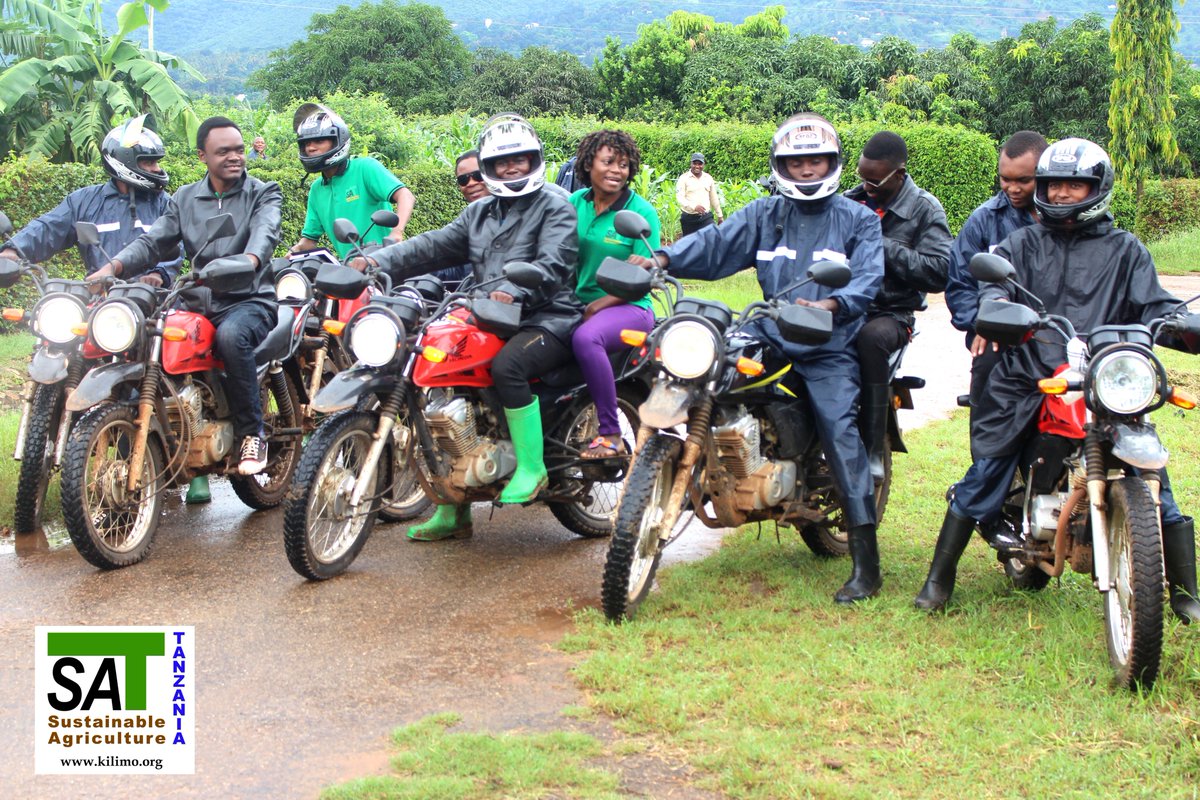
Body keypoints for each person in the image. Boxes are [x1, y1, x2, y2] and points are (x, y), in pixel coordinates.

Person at [914, 138, 1200, 624]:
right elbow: (992, 290)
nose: (1063, 193)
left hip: (1102, 376)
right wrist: (994, 314)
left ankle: (1185, 593)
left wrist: (1179, 324)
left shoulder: (1126, 250)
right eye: (1054, 185)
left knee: (1155, 479)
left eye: (1075, 184)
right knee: (987, 474)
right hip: (1027, 372)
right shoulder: (1019, 243)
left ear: (1097, 188)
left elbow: (1155, 305)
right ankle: (938, 580)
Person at [629, 113, 885, 604]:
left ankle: (866, 566)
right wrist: (662, 259)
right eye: (796, 161)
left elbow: (867, 279)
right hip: (766, 329)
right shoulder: (765, 213)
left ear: (831, 163)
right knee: (705, 374)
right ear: (781, 166)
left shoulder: (857, 219)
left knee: (839, 431)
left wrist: (829, 304)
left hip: (827, 341)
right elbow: (715, 244)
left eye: (815, 160)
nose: (807, 169)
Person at [347, 113, 582, 541]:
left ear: (536, 160)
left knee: (508, 367)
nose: (512, 169)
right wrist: (374, 260)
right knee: (434, 370)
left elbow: (554, 261)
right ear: (490, 168)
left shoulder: (556, 205)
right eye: (502, 163)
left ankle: (531, 465)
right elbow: (433, 244)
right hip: (486, 312)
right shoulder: (479, 213)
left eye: (521, 160)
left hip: (547, 316)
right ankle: (452, 507)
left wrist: (514, 289)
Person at [90, 116, 283, 478]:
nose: (235, 157)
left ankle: (251, 433)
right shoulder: (184, 198)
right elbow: (153, 242)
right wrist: (112, 268)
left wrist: (251, 259)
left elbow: (266, 231)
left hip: (249, 299)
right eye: (223, 151)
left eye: (239, 150)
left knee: (231, 337)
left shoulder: (263, 191)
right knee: (148, 335)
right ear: (202, 156)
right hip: (196, 300)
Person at [845, 131, 952, 483]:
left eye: (875, 180)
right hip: (842, 306)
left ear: (899, 173)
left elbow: (939, 271)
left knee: (871, 339)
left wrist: (881, 244)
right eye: (862, 178)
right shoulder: (849, 202)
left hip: (890, 313)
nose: (867, 186)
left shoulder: (924, 208)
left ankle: (873, 448)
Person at [0, 116, 181, 288]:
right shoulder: (83, 202)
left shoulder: (165, 204)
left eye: (157, 162)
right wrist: (13, 250)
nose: (157, 169)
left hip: (156, 301)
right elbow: (48, 228)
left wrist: (159, 274)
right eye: (149, 163)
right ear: (124, 162)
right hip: (100, 298)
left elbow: (174, 246)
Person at [568, 130, 660, 458]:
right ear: (588, 163)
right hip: (578, 300)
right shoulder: (574, 203)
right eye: (608, 162)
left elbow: (648, 269)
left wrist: (602, 303)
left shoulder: (641, 212)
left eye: (623, 165)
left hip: (630, 305)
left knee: (586, 339)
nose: (616, 170)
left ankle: (610, 433)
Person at [945, 131, 1048, 413]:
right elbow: (960, 285)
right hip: (997, 336)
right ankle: (987, 454)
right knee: (988, 361)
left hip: (1056, 332)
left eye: (1023, 181)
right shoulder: (983, 220)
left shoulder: (1067, 219)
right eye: (1005, 179)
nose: (1012, 188)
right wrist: (984, 323)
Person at [289, 104, 415, 257]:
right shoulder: (317, 189)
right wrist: (290, 255)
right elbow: (308, 241)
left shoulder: (364, 168)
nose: (311, 148)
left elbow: (405, 196)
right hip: (351, 271)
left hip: (387, 261)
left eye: (319, 141)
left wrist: (395, 234)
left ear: (337, 141)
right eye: (306, 143)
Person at [675, 152, 723, 236]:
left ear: (703, 165)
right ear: (691, 163)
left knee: (712, 239)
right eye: (695, 163)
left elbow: (713, 198)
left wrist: (720, 215)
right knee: (690, 245)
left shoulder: (708, 178)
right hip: (689, 218)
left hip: (705, 217)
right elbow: (680, 198)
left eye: (700, 164)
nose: (697, 166)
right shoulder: (683, 178)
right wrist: (694, 207)